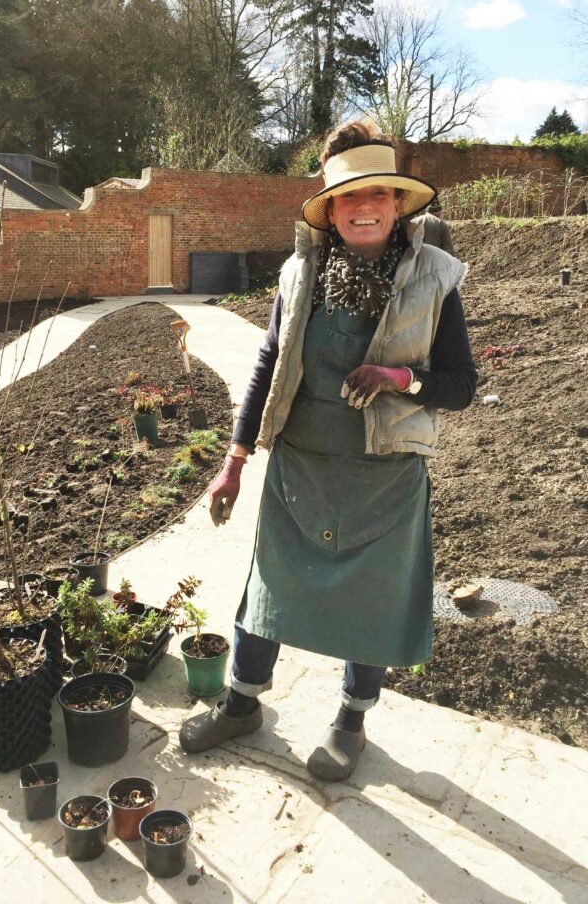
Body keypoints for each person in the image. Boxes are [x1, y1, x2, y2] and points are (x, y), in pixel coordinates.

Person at [179, 119, 477, 781]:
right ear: (331, 209)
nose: (363, 206)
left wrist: (403, 379)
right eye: (348, 196)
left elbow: (461, 385)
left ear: (398, 203)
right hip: (300, 467)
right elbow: (267, 366)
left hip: (385, 476)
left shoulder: (434, 279)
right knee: (268, 591)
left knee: (370, 604)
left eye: (377, 193)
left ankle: (351, 721)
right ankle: (241, 704)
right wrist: (233, 461)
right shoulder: (299, 275)